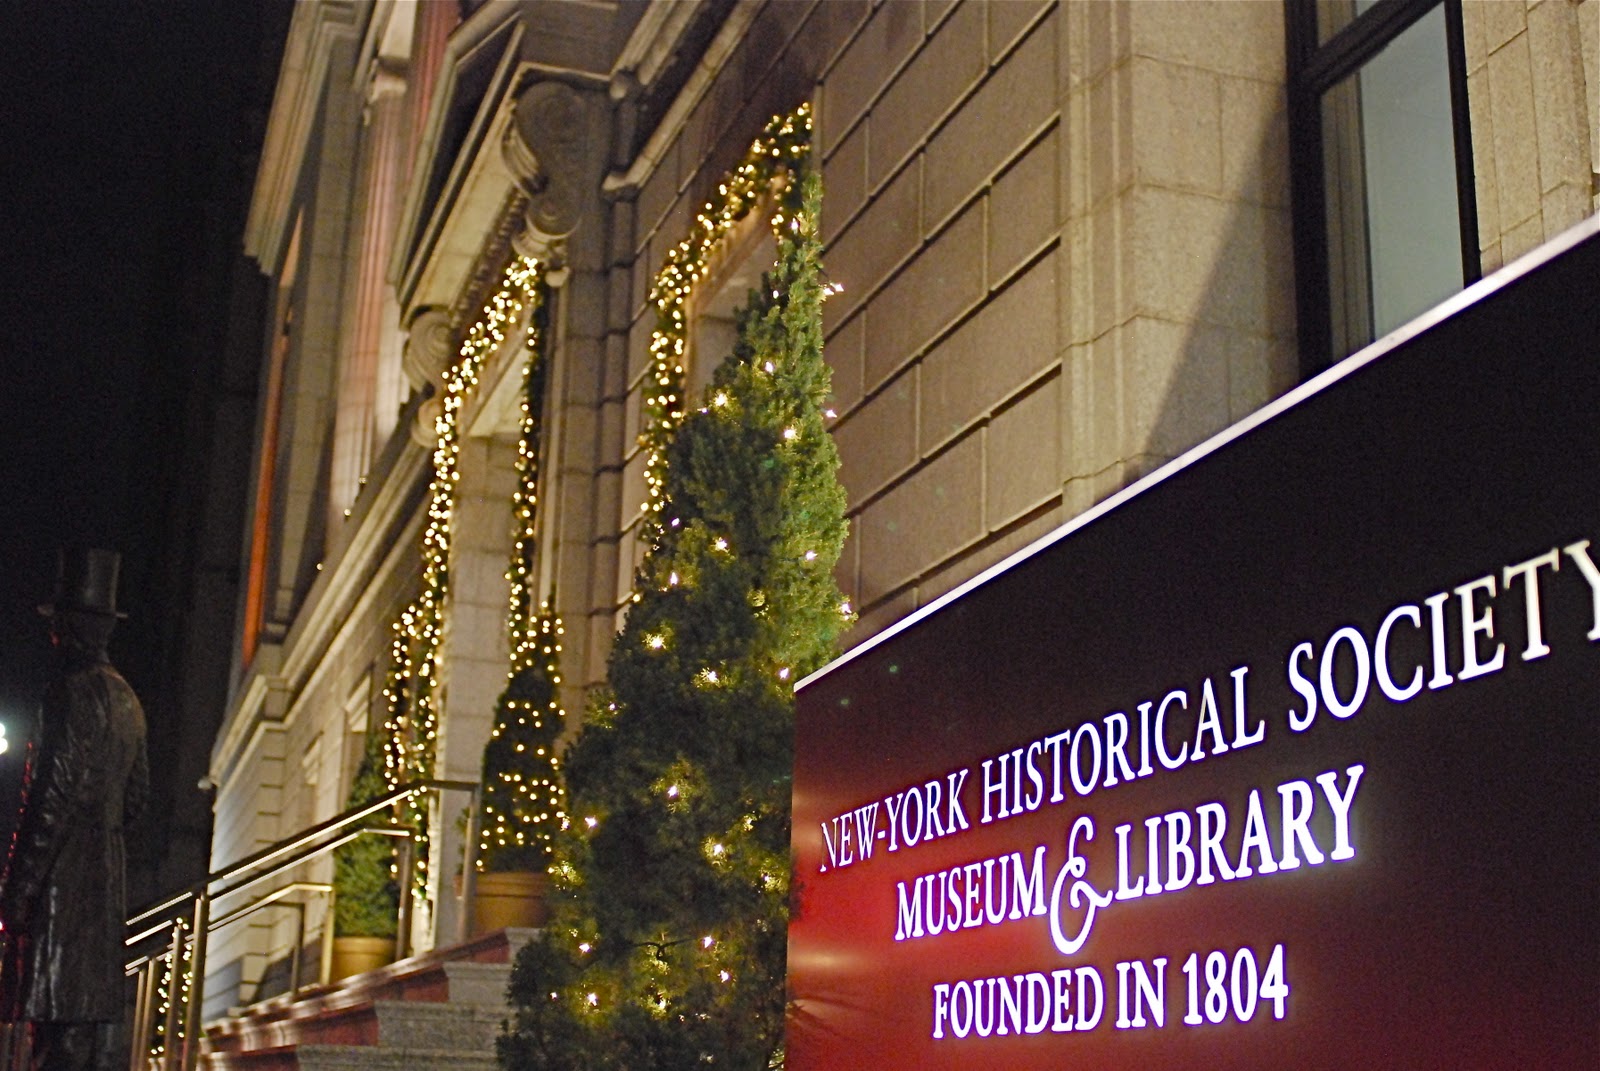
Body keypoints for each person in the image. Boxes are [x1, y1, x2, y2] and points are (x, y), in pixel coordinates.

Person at [0, 549, 148, 1071]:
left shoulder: (67, 692)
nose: (53, 637)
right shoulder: (128, 701)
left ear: (70, 627)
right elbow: (136, 800)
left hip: (63, 889)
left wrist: (18, 890)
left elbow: (48, 800)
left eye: (58, 626)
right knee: (81, 1044)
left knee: (53, 1042)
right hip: (104, 885)